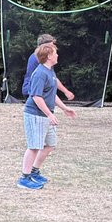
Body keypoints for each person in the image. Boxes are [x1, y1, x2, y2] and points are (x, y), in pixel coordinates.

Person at [18, 40, 76, 190]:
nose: (57, 55)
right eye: (55, 52)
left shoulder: (50, 71)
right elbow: (36, 97)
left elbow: (52, 94)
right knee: (34, 147)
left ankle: (34, 172)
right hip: (35, 115)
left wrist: (64, 109)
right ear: (49, 56)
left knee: (50, 145)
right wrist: (50, 114)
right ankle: (24, 178)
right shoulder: (40, 73)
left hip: (45, 115)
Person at [22, 32, 75, 105]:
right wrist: (66, 91)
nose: (54, 48)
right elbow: (52, 79)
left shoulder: (43, 58)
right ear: (44, 46)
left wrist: (66, 92)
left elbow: (52, 78)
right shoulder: (38, 58)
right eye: (51, 45)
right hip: (32, 91)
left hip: (35, 90)